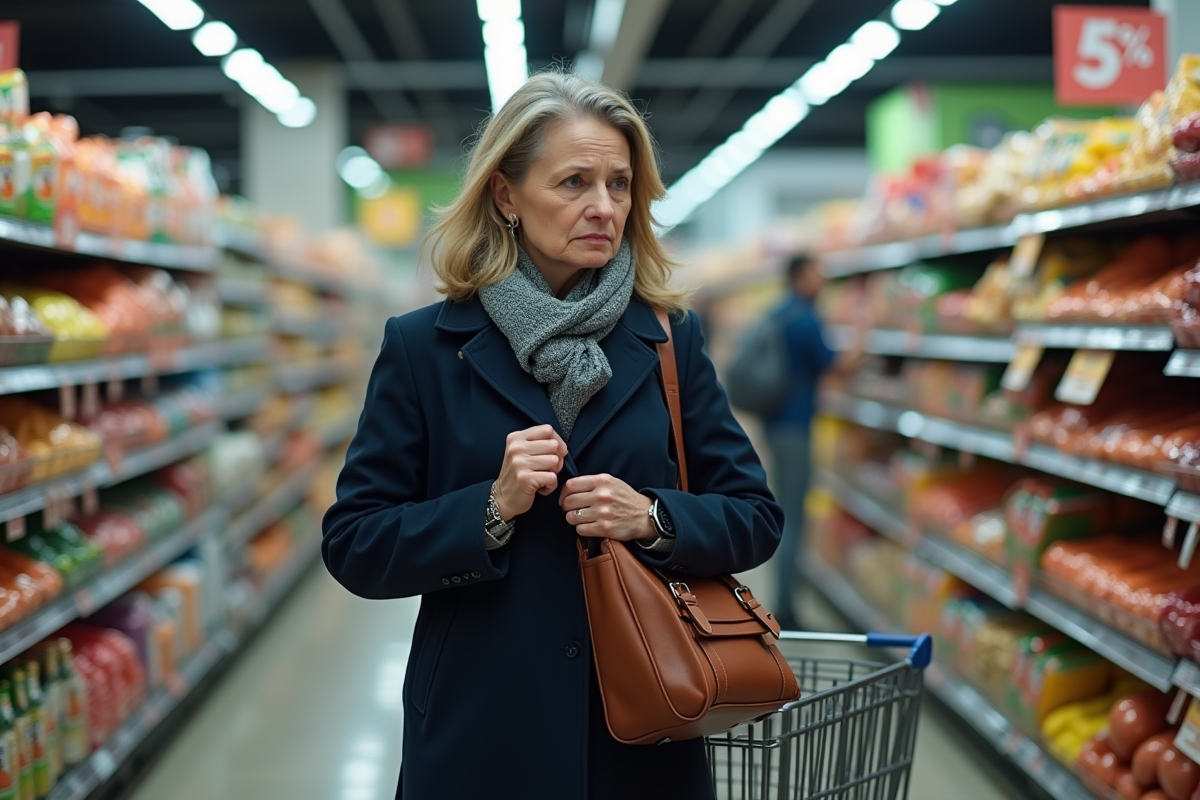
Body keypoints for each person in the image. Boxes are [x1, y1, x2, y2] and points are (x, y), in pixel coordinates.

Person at [321, 71, 784, 800]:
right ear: (506, 195)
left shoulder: (668, 338)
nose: (604, 207)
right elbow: (354, 543)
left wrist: (656, 518)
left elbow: (756, 517)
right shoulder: (424, 348)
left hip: (644, 728)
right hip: (484, 732)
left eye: (620, 184)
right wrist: (490, 508)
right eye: (573, 183)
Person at [765, 254, 858, 630]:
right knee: (792, 517)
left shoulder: (779, 311)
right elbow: (836, 365)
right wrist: (863, 341)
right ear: (801, 275)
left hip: (777, 423)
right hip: (794, 427)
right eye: (818, 271)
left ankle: (784, 600)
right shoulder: (804, 318)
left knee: (786, 511)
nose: (824, 279)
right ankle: (785, 609)